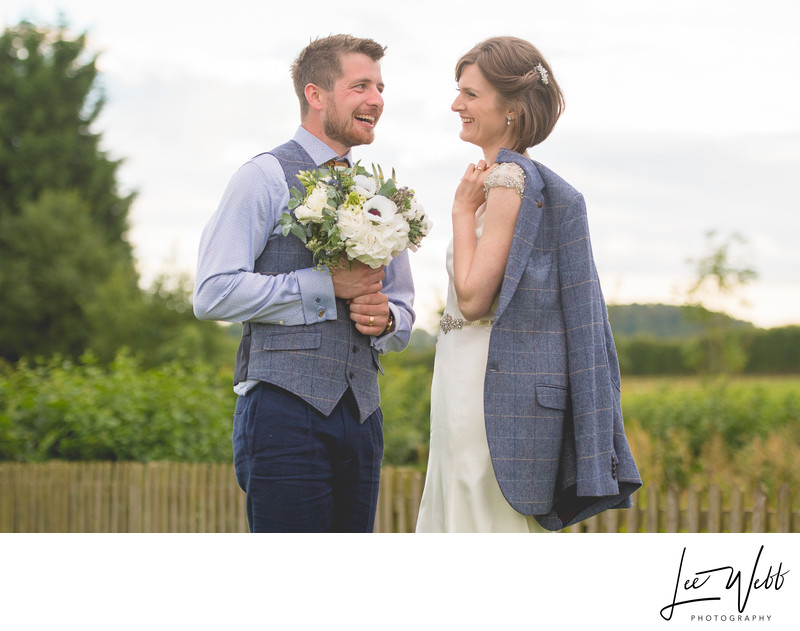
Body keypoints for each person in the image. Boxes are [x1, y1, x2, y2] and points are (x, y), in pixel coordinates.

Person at [416, 36, 641, 532]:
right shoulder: (509, 178)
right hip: (467, 374)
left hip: (484, 381)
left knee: (477, 515)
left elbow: (473, 298)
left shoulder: (507, 181)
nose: (457, 104)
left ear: (512, 108)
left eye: (471, 94)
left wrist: (459, 210)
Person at [194, 35, 415, 533]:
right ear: (316, 95)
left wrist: (388, 319)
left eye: (380, 87)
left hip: (363, 416)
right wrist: (323, 286)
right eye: (361, 85)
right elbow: (212, 292)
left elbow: (402, 308)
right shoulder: (263, 177)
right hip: (282, 413)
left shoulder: (382, 198)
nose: (376, 99)